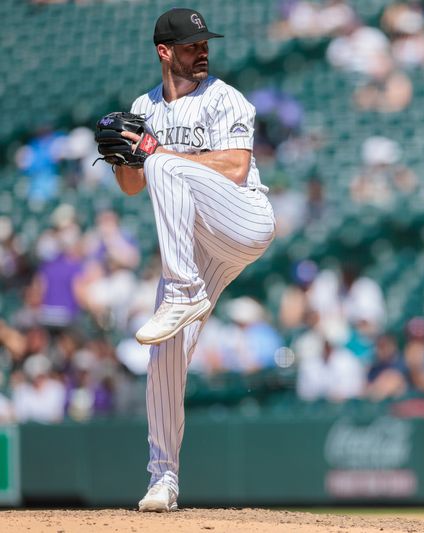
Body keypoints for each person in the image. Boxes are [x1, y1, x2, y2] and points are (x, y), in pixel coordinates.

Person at [104, 9, 276, 512]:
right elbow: (132, 186)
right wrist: (124, 157)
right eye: (191, 45)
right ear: (164, 51)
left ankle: (182, 293)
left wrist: (158, 156)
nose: (202, 51)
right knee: (164, 354)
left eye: (205, 43)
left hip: (242, 219)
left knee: (162, 161)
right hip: (197, 249)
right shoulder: (144, 106)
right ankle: (163, 479)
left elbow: (237, 165)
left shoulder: (226, 98)